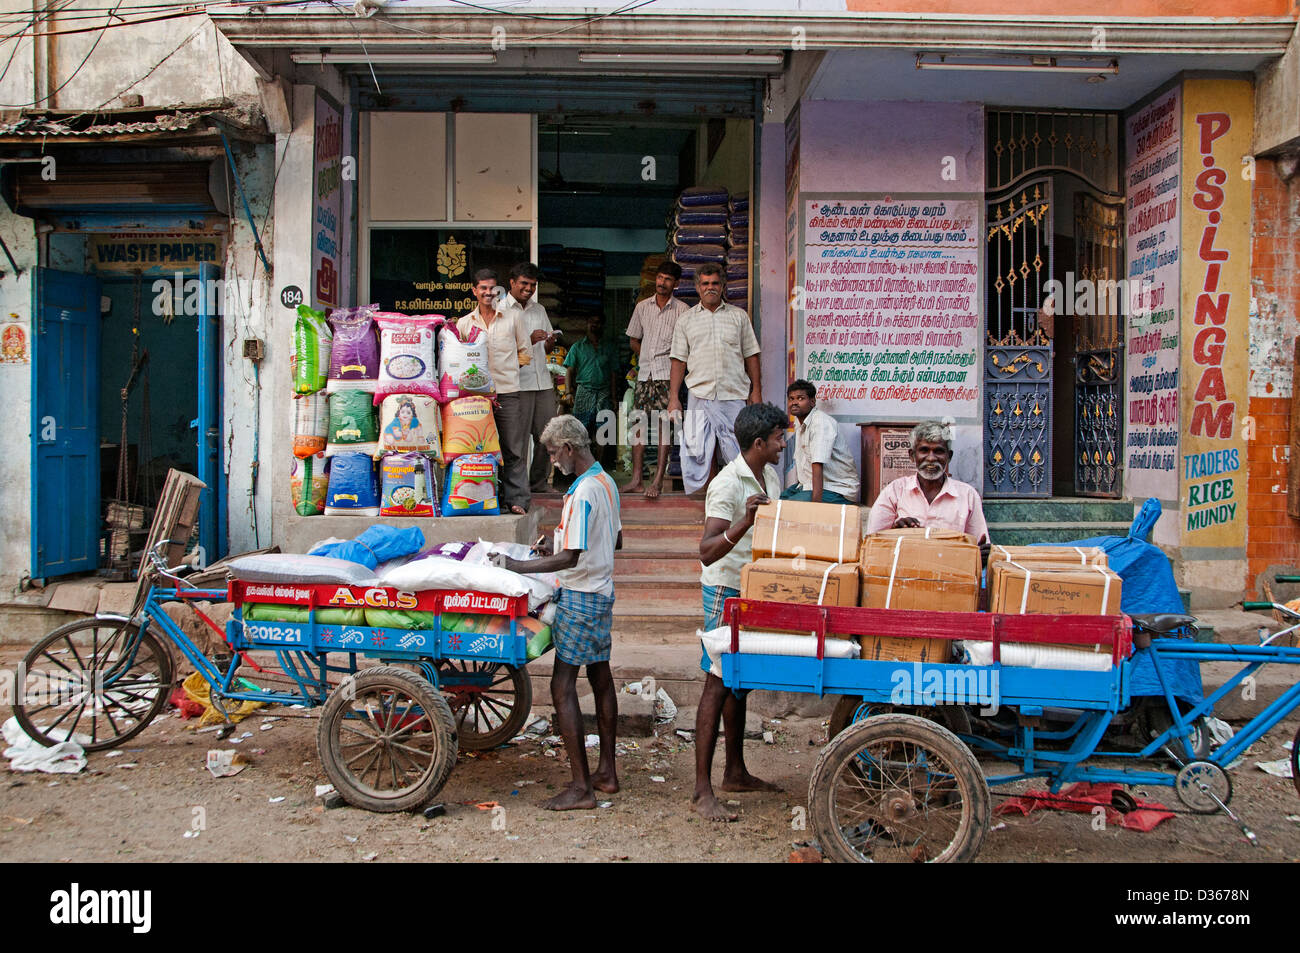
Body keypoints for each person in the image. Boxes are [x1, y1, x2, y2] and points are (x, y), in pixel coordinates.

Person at [500, 415, 623, 811]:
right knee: (600, 677)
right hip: (601, 590)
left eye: (553, 453)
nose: (552, 461)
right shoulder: (606, 482)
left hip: (582, 595)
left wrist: (518, 567)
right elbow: (614, 539)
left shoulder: (584, 491)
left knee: (561, 686)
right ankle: (606, 772)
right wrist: (555, 548)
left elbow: (570, 556)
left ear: (569, 449)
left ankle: (580, 787)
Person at [693, 402, 786, 822]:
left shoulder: (770, 475)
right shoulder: (728, 484)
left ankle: (735, 771)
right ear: (759, 443)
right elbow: (707, 550)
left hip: (753, 587)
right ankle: (701, 792)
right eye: (780, 439)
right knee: (716, 684)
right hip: (725, 589)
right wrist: (744, 523)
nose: (785, 444)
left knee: (737, 683)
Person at [667, 262, 761, 495]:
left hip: (734, 392)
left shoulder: (738, 317)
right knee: (700, 448)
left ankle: (740, 495)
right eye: (705, 283)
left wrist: (756, 391)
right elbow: (679, 361)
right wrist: (673, 398)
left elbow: (751, 355)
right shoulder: (686, 320)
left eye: (715, 283)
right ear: (698, 288)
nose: (710, 287)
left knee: (739, 448)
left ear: (722, 286)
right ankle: (711, 496)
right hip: (700, 392)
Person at [457, 268, 532, 514]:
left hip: (507, 391)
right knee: (478, 448)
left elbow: (525, 352)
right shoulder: (464, 323)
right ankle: (487, 497)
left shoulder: (513, 318)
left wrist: (507, 369)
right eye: (483, 289)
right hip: (475, 397)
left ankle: (517, 499)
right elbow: (458, 359)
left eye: (492, 288)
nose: (488, 293)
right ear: (474, 291)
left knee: (513, 447)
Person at [865, 420, 991, 549]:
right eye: (924, 450)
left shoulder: (968, 495)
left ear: (949, 456)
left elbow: (980, 545)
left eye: (939, 451)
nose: (931, 458)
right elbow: (872, 543)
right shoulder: (894, 491)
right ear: (912, 455)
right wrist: (896, 531)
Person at [626, 260, 689, 498]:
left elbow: (685, 347)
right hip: (644, 375)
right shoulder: (642, 307)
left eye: (668, 279)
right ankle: (636, 480)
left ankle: (658, 480)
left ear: (676, 284)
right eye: (660, 278)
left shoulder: (682, 310)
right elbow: (633, 338)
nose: (662, 283)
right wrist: (645, 355)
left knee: (664, 427)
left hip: (667, 375)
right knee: (638, 426)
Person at [504, 262, 561, 499]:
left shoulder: (539, 310)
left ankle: (538, 482)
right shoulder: (502, 310)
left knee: (547, 435)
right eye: (524, 284)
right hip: (519, 383)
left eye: (533, 285)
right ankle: (518, 489)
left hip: (542, 382)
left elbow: (546, 346)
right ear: (512, 283)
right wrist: (528, 338)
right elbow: (500, 348)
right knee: (517, 440)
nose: (528, 289)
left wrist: (549, 341)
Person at [783, 379, 860, 505]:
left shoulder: (820, 422)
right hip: (809, 486)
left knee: (791, 507)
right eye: (791, 399)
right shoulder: (800, 423)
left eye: (800, 398)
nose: (794, 403)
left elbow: (817, 465)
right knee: (778, 501)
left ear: (812, 402)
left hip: (836, 490)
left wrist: (815, 509)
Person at [564, 314, 619, 469]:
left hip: (604, 392)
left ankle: (598, 466)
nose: (596, 326)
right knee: (581, 430)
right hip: (584, 390)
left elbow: (614, 373)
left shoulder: (609, 347)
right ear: (587, 324)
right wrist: (568, 392)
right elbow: (569, 370)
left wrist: (614, 397)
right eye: (592, 322)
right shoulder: (578, 347)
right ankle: (581, 466)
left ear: (603, 326)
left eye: (599, 323)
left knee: (603, 430)